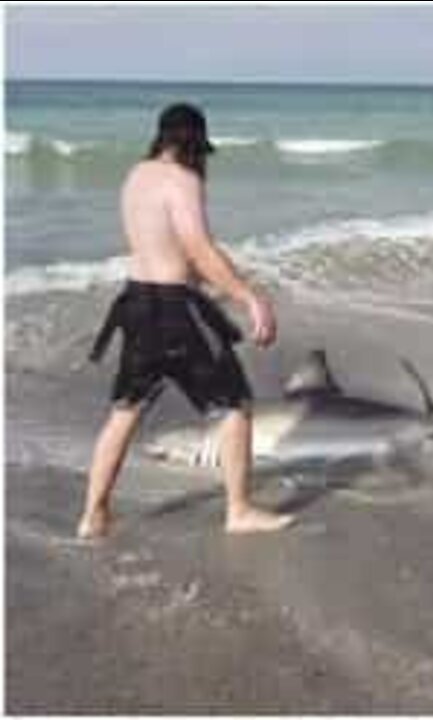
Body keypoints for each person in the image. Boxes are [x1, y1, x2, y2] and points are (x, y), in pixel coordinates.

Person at [77, 103, 294, 538]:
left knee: (126, 411)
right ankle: (239, 511)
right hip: (175, 312)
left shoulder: (136, 176)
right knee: (235, 407)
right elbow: (198, 247)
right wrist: (249, 297)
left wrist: (202, 281)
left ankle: (93, 515)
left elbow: (160, 245)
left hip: (136, 304)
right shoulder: (184, 180)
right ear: (195, 143)